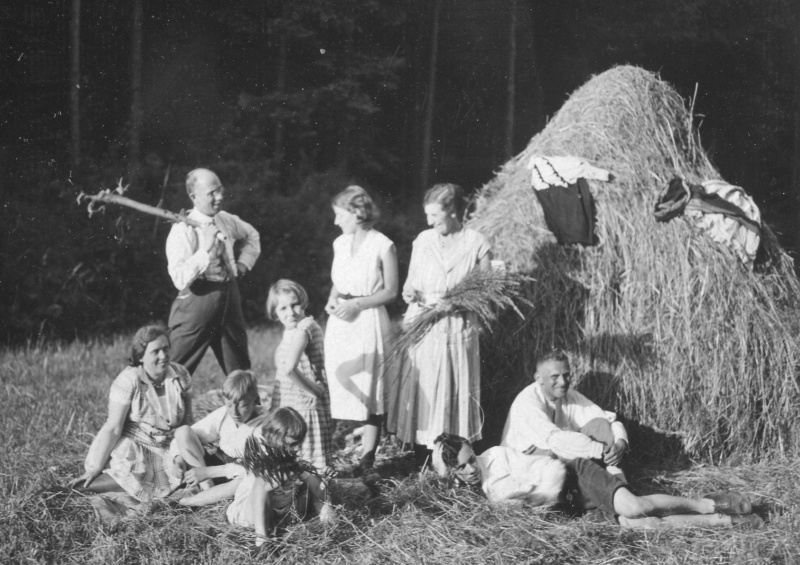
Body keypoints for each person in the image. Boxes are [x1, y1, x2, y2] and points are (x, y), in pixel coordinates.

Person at [433, 434, 764, 529]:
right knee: (643, 526)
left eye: (471, 459)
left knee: (635, 507)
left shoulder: (497, 456)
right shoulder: (483, 496)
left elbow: (550, 469)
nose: (471, 468)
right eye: (462, 468)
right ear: (454, 474)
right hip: (568, 506)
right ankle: (727, 521)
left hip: (573, 476)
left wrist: (542, 498)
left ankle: (709, 502)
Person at [387, 183, 491, 464]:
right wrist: (409, 292)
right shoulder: (423, 240)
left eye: (436, 216)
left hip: (457, 326)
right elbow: (411, 281)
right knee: (426, 385)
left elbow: (487, 289)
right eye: (428, 216)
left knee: (452, 386)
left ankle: (453, 454)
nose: (429, 222)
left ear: (453, 212)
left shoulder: (476, 242)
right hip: (423, 321)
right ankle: (424, 454)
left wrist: (458, 303)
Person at [70, 324, 194, 501]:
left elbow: (188, 421)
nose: (163, 356)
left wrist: (181, 454)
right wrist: (94, 467)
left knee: (190, 470)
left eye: (166, 349)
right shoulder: (128, 380)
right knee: (133, 472)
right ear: (140, 356)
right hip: (138, 443)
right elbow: (113, 427)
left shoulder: (180, 374)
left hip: (170, 444)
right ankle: (80, 489)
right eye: (156, 351)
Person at [324, 185, 398, 473]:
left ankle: (367, 458)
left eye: (339, 215)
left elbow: (391, 291)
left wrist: (357, 304)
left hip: (367, 319)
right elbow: (338, 279)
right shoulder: (339, 244)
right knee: (339, 381)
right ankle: (327, 453)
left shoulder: (383, 245)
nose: (335, 221)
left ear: (356, 214)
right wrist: (333, 298)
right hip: (341, 322)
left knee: (369, 387)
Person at [166, 168, 260, 375]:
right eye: (212, 193)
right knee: (176, 368)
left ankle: (246, 406)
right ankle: (163, 405)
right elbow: (179, 278)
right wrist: (205, 249)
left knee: (239, 368)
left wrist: (243, 264)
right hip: (197, 301)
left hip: (230, 295)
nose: (219, 197)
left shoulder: (225, 219)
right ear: (193, 196)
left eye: (221, 190)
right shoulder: (182, 230)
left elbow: (252, 235)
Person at [501, 348, 628, 474]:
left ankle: (620, 483)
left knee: (600, 425)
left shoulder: (568, 395)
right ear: (539, 378)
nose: (563, 382)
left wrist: (621, 441)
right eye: (555, 376)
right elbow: (554, 440)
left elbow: (608, 420)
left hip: (555, 451)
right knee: (560, 450)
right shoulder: (527, 401)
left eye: (566, 375)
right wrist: (600, 450)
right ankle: (611, 489)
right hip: (521, 464)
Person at [226, 407, 333, 546]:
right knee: (264, 482)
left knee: (314, 483)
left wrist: (318, 478)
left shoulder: (294, 463)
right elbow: (265, 485)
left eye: (298, 444)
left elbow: (320, 490)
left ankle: (329, 525)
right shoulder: (263, 460)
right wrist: (292, 472)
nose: (295, 449)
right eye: (291, 444)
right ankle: (262, 540)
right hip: (248, 516)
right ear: (272, 439)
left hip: (278, 516)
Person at [170, 369, 265, 505]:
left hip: (239, 473)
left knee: (248, 481)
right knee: (182, 432)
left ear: (255, 400)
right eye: (229, 405)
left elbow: (254, 467)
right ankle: (206, 489)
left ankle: (191, 502)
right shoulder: (224, 414)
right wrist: (179, 460)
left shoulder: (263, 426)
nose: (234, 412)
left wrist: (209, 472)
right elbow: (185, 435)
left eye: (242, 405)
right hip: (216, 470)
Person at [267, 279, 334, 471]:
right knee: (292, 458)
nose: (291, 312)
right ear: (275, 312)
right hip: (290, 402)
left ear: (303, 302)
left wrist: (314, 392)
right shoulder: (290, 331)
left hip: (306, 403)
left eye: (295, 304)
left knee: (312, 463)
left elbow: (289, 368)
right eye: (283, 308)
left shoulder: (306, 326)